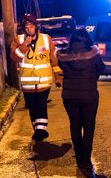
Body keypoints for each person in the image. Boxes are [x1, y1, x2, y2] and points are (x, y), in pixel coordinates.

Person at [57, 29, 105, 170]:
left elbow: (62, 69)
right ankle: (86, 158)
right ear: (87, 40)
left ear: (72, 41)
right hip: (89, 95)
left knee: (75, 125)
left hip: (69, 96)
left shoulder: (63, 56)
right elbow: (100, 69)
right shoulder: (93, 55)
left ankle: (78, 156)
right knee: (89, 127)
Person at [10, 14, 63, 142]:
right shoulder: (19, 39)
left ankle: (41, 130)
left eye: (31, 26)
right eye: (26, 26)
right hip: (27, 83)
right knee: (33, 108)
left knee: (41, 105)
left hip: (44, 82)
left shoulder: (46, 39)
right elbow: (14, 57)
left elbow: (54, 60)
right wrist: (24, 45)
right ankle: (38, 129)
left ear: (36, 26)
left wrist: (58, 78)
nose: (29, 29)